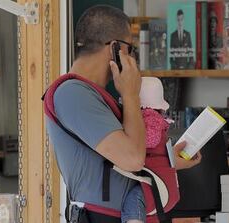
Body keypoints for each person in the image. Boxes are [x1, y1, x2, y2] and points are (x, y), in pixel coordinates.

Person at [45, 5, 202, 223]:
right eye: (131, 49)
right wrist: (130, 95)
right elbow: (132, 159)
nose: (132, 58)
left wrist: (165, 160)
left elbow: (127, 155)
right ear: (115, 48)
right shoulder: (73, 93)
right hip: (101, 217)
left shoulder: (93, 95)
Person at [122, 77, 175, 223]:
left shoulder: (149, 118)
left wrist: (127, 137)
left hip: (154, 182)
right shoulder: (156, 119)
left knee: (133, 202)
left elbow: (150, 140)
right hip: (161, 183)